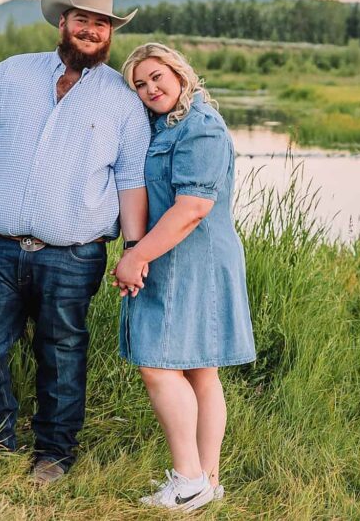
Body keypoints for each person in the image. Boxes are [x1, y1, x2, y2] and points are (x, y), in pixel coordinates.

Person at [0, 0, 150, 484]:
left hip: (74, 254)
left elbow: (131, 180)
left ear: (109, 34)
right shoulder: (11, 74)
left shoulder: (122, 101)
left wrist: (135, 249)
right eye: (82, 19)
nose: (90, 30)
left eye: (101, 24)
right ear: (62, 23)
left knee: (61, 354)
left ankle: (53, 455)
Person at [113, 43, 256, 512]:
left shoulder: (202, 127)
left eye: (156, 76)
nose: (150, 88)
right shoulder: (164, 125)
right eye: (139, 84)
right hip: (176, 257)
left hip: (194, 260)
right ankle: (206, 482)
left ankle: (190, 478)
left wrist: (135, 257)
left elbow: (193, 208)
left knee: (157, 364)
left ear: (179, 73)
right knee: (198, 369)